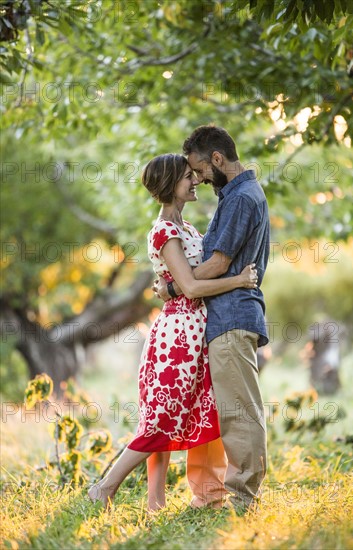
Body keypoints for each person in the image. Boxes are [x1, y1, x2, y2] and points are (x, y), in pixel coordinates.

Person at [88, 153, 258, 511]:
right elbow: (192, 288)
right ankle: (105, 487)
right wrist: (239, 280)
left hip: (196, 333)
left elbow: (184, 280)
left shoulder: (188, 229)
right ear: (169, 185)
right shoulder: (164, 230)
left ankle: (155, 503)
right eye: (186, 177)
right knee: (163, 419)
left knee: (181, 415)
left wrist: (171, 285)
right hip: (177, 337)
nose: (195, 180)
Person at [154, 125, 270, 512]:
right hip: (224, 319)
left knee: (240, 412)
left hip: (234, 316)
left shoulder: (239, 199)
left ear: (217, 160)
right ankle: (217, 495)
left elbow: (218, 263)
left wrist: (174, 286)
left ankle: (243, 498)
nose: (199, 179)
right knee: (231, 411)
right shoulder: (234, 195)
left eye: (200, 170)